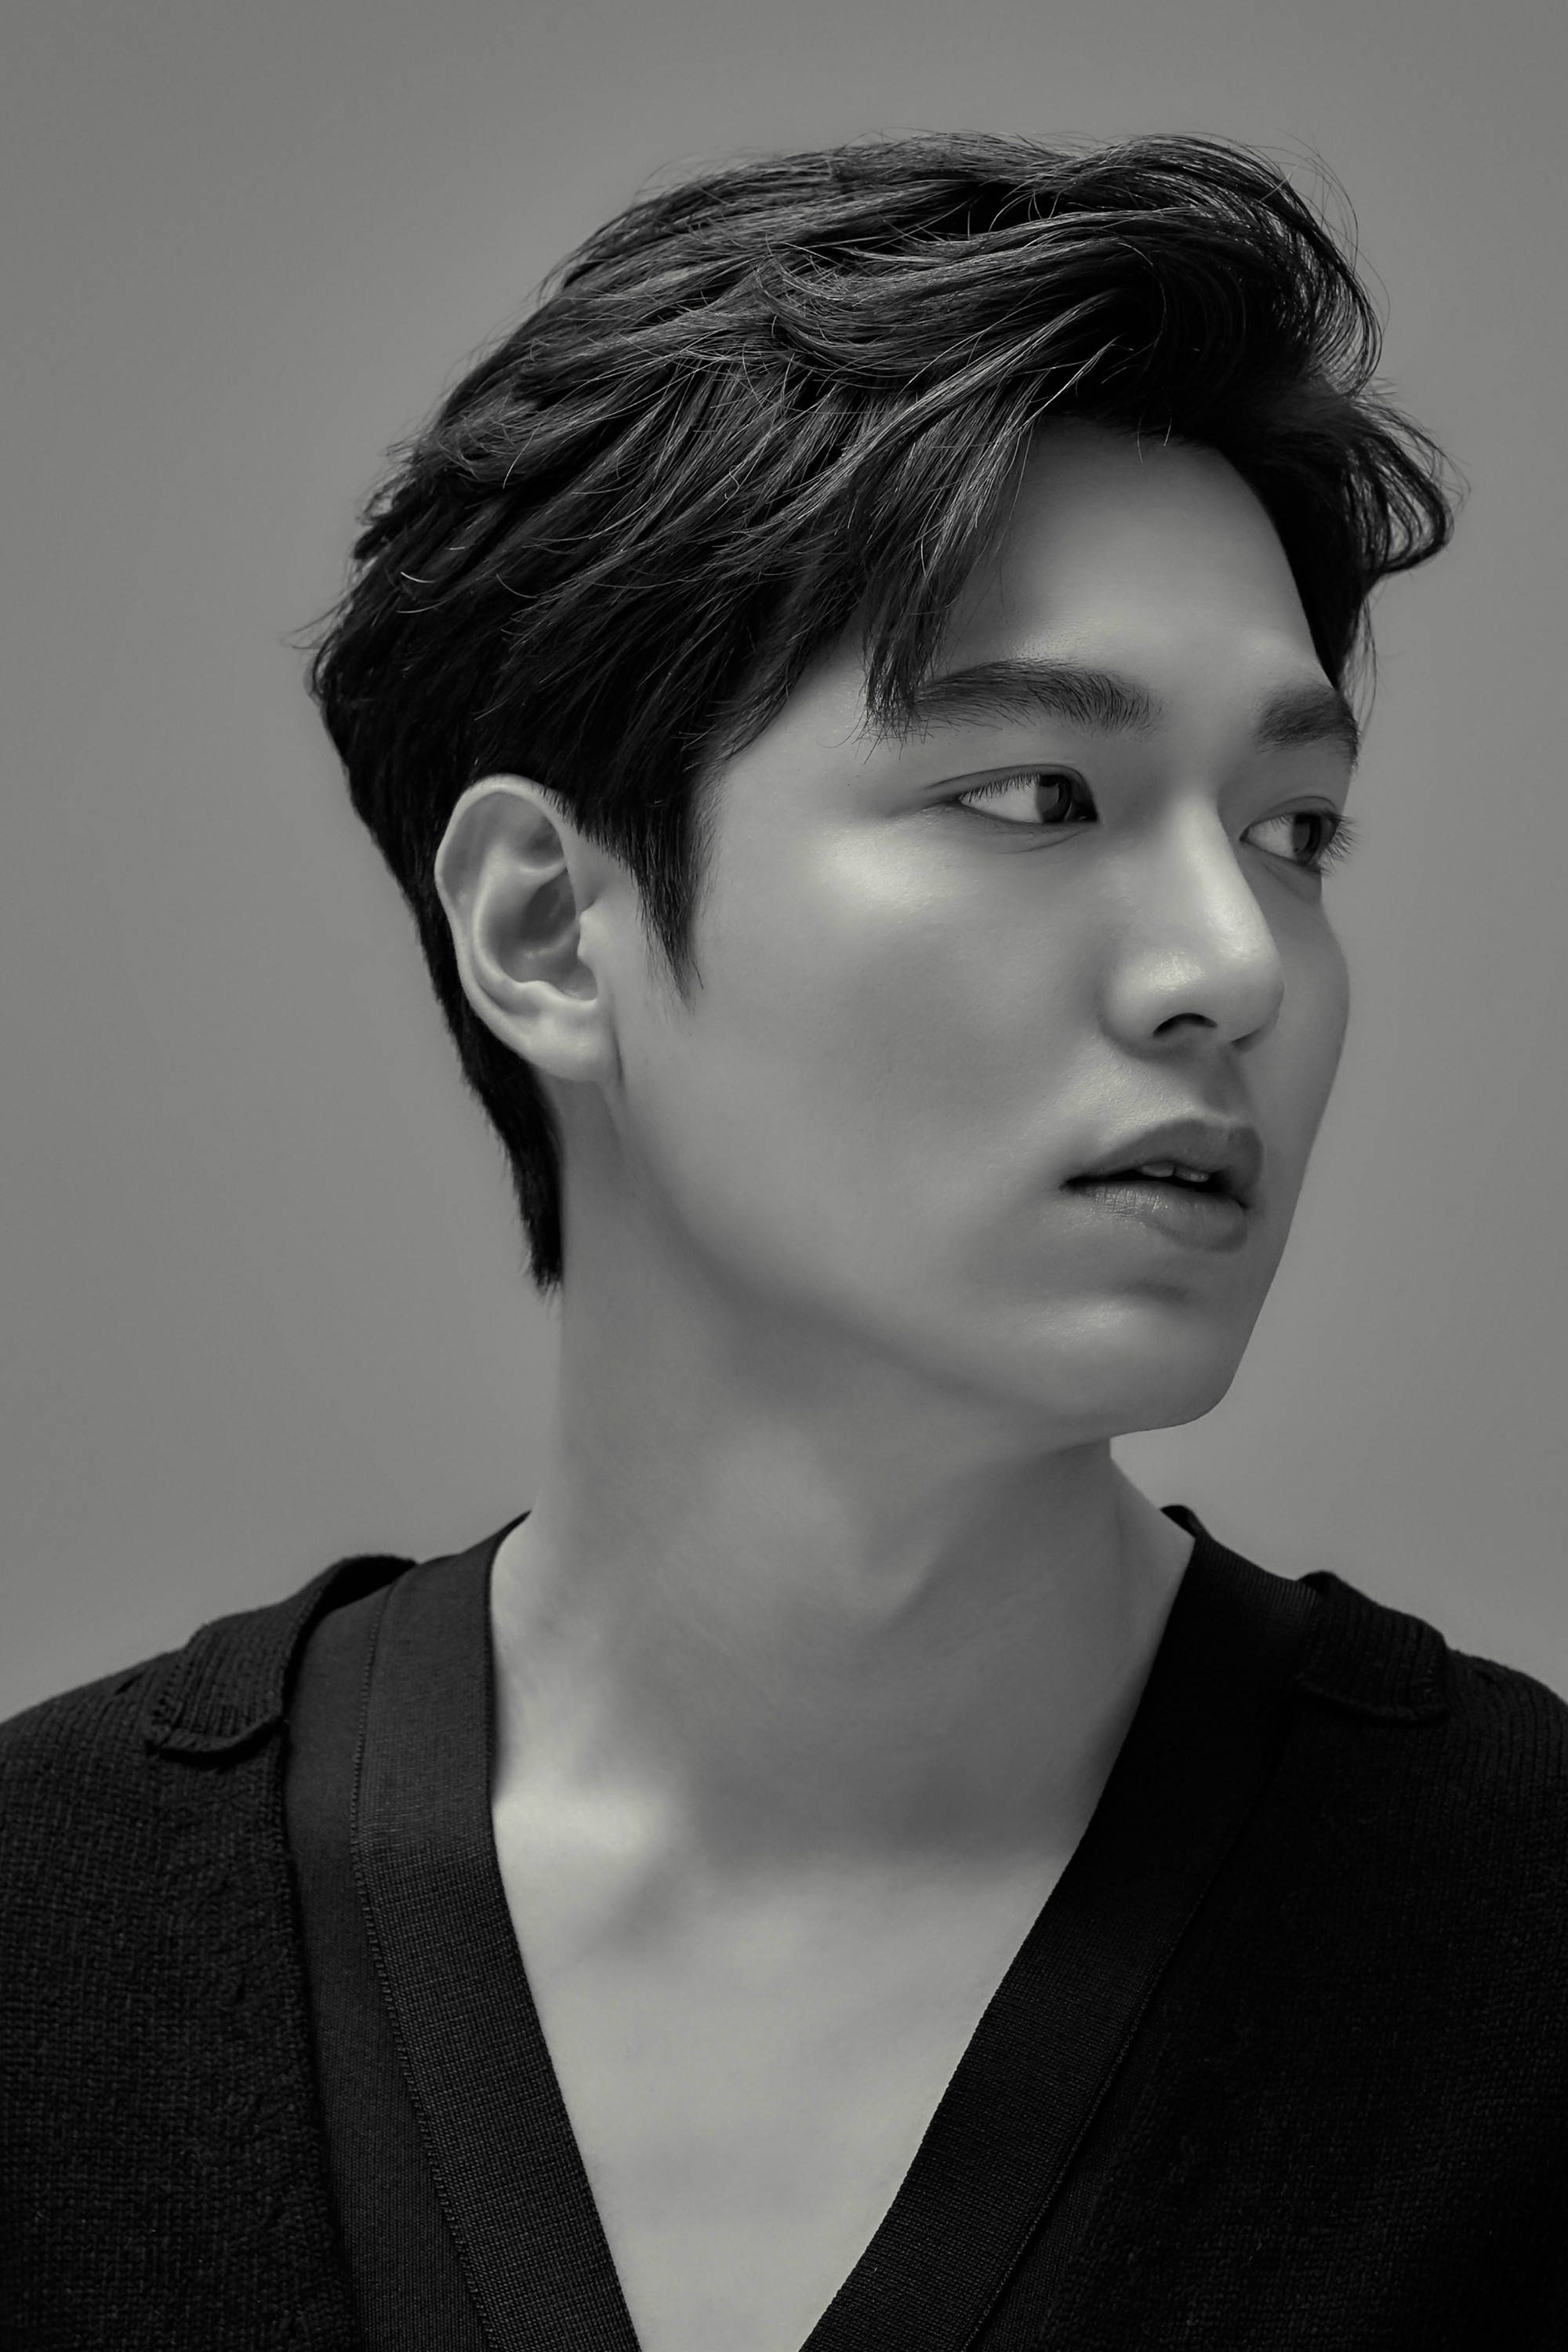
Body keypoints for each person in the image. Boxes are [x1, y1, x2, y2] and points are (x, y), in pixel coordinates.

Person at [3, 132, 1564, 2352]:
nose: (1234, 964)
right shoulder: (54, 1946)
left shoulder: (1517, 1956)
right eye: (1037, 796)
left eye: (1294, 829)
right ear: (548, 928)